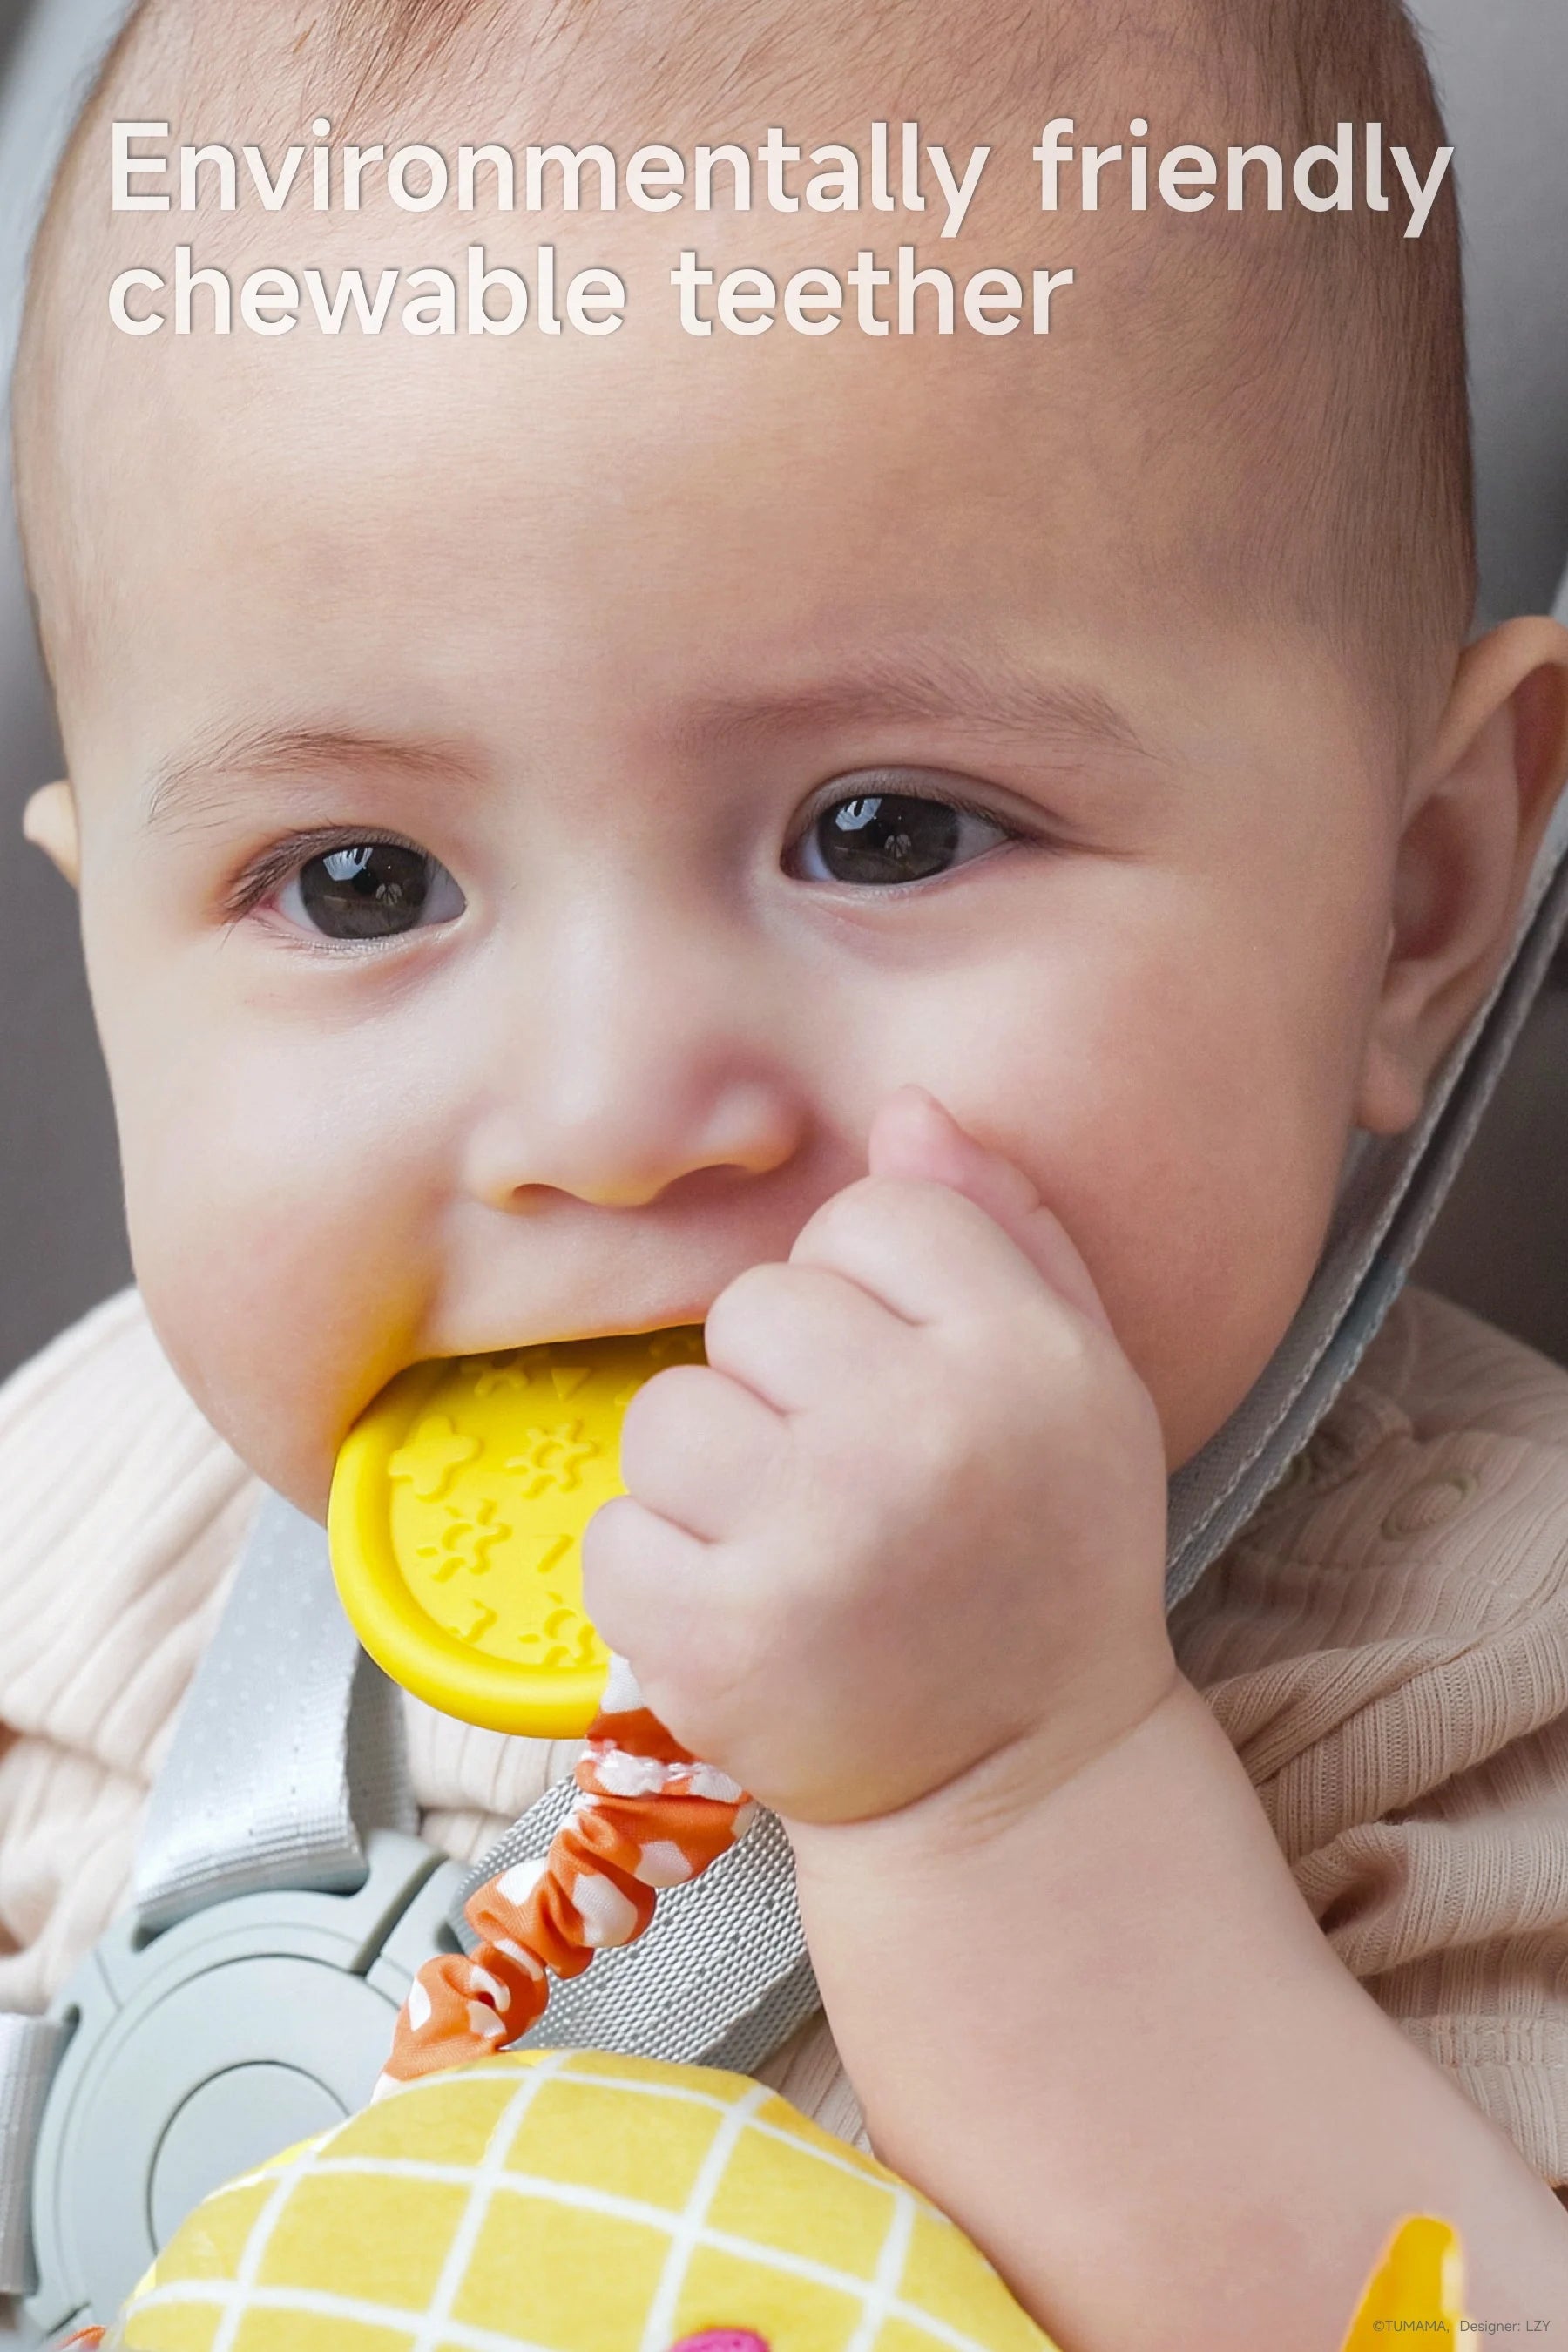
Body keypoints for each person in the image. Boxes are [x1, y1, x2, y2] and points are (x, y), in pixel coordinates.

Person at [5, 0, 1568, 2340]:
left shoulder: (1471, 1674)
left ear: (1415, 900)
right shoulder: (65, 1547)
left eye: (887, 830)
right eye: (357, 881)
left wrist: (1011, 1798)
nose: (617, 1114)